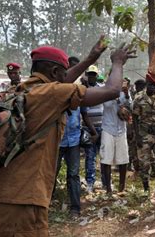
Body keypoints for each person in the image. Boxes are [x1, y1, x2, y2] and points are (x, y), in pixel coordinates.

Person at [0, 38, 135, 237]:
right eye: (62, 73)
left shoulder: (17, 91)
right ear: (55, 73)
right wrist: (117, 62)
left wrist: (89, 60)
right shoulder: (54, 94)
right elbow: (111, 91)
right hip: (21, 203)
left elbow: (61, 80)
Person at [132, 74, 155, 196]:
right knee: (144, 164)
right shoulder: (139, 98)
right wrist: (137, 137)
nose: (153, 88)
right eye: (151, 85)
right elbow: (135, 118)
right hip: (144, 134)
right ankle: (146, 189)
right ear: (147, 84)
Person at [100, 76, 132, 194]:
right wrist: (114, 94)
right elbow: (107, 105)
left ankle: (122, 187)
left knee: (123, 159)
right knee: (106, 159)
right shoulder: (105, 91)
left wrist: (127, 94)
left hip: (121, 129)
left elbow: (130, 107)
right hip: (108, 128)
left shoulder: (124, 92)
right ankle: (108, 188)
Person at [80, 65, 105, 193]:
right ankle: (90, 182)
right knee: (90, 156)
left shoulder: (101, 88)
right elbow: (83, 112)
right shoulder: (83, 90)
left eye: (93, 74)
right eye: (89, 74)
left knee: (104, 156)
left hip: (102, 127)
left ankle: (105, 182)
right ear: (87, 75)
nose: (91, 76)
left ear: (96, 76)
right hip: (88, 128)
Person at [56, 106, 83, 219]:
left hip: (74, 139)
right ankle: (45, 203)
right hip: (57, 140)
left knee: (73, 174)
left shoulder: (76, 95)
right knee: (51, 172)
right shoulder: (56, 96)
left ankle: (75, 208)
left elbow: (84, 113)